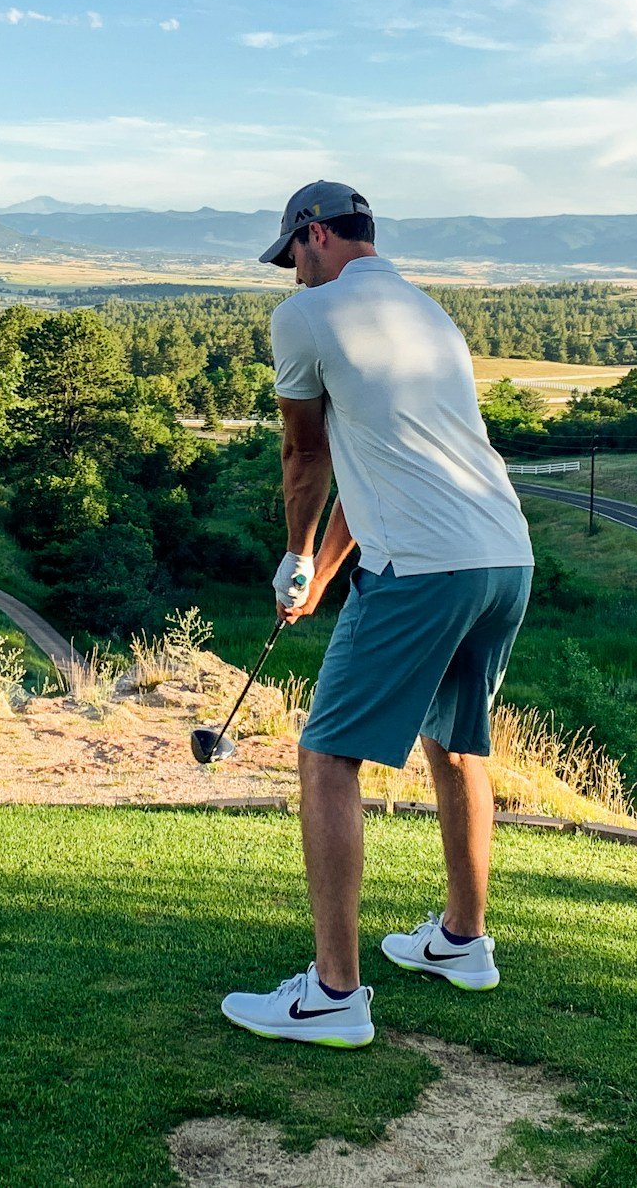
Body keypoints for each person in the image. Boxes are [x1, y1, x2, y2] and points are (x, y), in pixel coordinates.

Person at [218, 180, 536, 1050]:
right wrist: (321, 572)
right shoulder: (428, 314)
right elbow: (383, 465)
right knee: (459, 739)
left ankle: (333, 994)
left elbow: (305, 450)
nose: (292, 277)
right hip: (503, 552)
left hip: (423, 568)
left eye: (292, 258)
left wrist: (291, 550)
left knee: (326, 754)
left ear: (316, 236)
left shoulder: (309, 317)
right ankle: (463, 944)